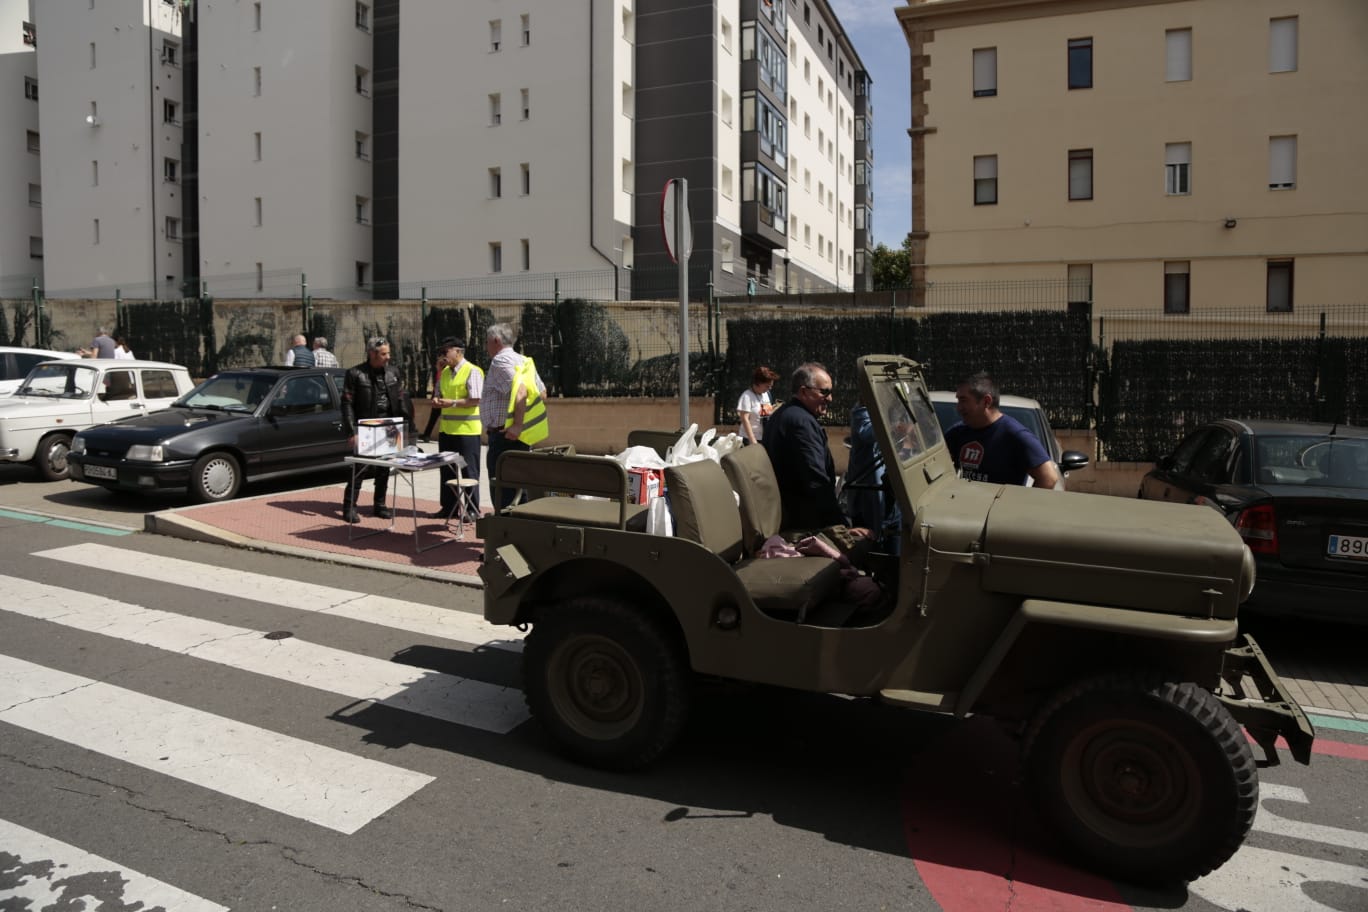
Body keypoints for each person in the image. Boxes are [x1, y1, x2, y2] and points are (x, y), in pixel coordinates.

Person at [763, 362, 871, 538]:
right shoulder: (801, 424)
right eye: (824, 392)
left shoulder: (787, 414)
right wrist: (841, 527)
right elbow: (816, 481)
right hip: (804, 522)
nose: (829, 399)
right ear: (804, 391)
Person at [944, 371, 1060, 488]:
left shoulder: (1015, 435)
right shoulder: (957, 433)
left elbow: (1049, 477)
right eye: (958, 400)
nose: (958, 408)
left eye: (963, 400)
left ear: (986, 401)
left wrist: (1023, 505)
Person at [340, 336, 410, 523]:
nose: (388, 357)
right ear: (372, 354)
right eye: (383, 354)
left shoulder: (394, 372)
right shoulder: (355, 374)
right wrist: (352, 431)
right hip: (367, 427)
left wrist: (407, 426)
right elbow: (346, 403)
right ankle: (349, 507)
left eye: (389, 353)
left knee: (384, 469)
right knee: (359, 469)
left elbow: (401, 398)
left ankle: (380, 505)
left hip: (390, 427)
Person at [481, 323, 548, 511]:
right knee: (519, 489)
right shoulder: (524, 361)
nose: (486, 347)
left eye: (487, 342)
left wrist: (517, 424)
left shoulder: (500, 362)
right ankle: (520, 532)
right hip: (521, 438)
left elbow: (521, 391)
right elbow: (542, 393)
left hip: (505, 437)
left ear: (496, 341)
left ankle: (505, 533)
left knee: (502, 491)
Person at [430, 339, 484, 520]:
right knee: (447, 470)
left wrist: (451, 403)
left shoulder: (472, 371)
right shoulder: (444, 372)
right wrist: (437, 400)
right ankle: (449, 508)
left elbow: (475, 399)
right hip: (447, 431)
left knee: (468, 471)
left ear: (458, 351)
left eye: (446, 351)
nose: (444, 356)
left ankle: (472, 510)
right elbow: (437, 394)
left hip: (466, 432)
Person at [736, 365, 779, 445]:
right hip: (750, 440)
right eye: (767, 386)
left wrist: (774, 409)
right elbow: (745, 419)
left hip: (764, 437)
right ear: (758, 383)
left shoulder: (766, 394)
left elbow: (765, 413)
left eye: (771, 386)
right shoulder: (746, 396)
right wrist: (752, 440)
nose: (769, 388)